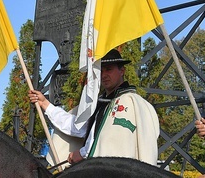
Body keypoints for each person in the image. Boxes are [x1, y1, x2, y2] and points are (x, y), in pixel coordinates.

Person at [29, 48, 160, 165]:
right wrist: (45, 104)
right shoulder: (103, 104)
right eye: (100, 70)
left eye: (109, 69)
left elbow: (110, 143)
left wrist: (81, 153)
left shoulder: (129, 103)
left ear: (122, 71)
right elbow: (77, 126)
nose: (104, 75)